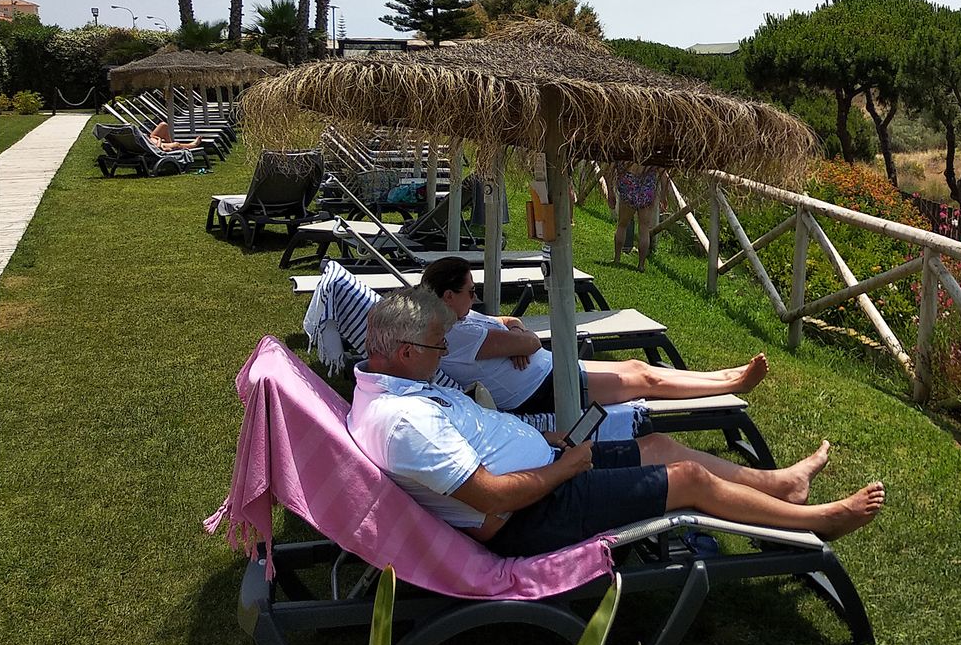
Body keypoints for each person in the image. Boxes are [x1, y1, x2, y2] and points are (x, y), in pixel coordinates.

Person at [347, 288, 884, 556]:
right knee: (688, 481)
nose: (443, 354)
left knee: (659, 445)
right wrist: (566, 466)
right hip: (535, 513)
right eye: (435, 347)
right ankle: (816, 522)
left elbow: (475, 452)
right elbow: (490, 501)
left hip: (547, 466)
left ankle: (780, 484)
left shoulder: (397, 391)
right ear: (399, 350)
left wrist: (544, 439)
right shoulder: (401, 421)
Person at [420, 256, 766, 418]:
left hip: (546, 374)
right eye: (469, 291)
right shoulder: (455, 334)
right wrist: (518, 341)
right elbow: (532, 343)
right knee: (643, 378)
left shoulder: (458, 316)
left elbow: (511, 321)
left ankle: (723, 375)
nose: (475, 296)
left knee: (634, 364)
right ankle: (731, 384)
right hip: (543, 391)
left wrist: (514, 332)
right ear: (448, 296)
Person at [611, 164, 670, 271]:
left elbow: (610, 169)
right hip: (647, 184)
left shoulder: (629, 150)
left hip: (629, 182)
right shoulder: (655, 152)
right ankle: (641, 265)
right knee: (644, 228)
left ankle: (617, 259)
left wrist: (611, 192)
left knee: (622, 224)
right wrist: (663, 196)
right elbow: (664, 176)